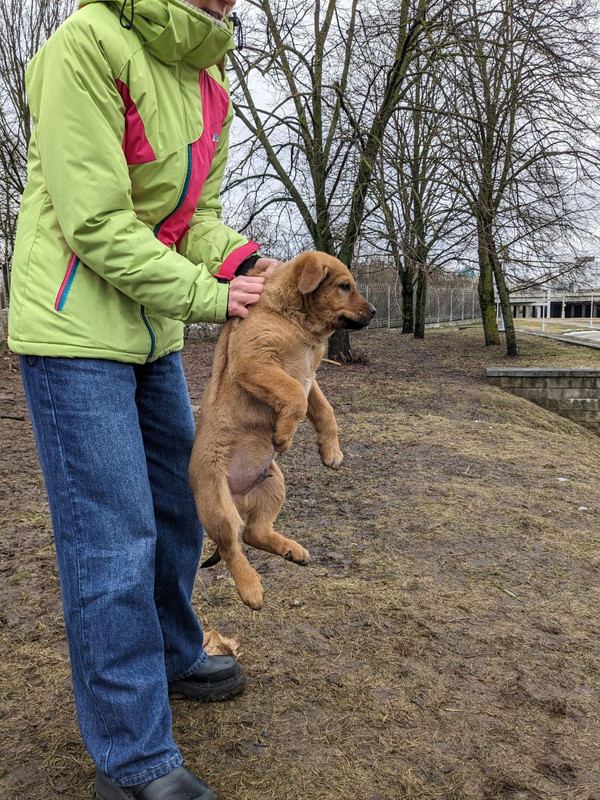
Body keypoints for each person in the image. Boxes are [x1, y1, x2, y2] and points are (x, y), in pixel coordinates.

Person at [7, 0, 276, 797]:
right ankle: (131, 759)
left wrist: (253, 264)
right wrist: (210, 295)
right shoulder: (82, 47)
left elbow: (194, 222)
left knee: (177, 504)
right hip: (73, 334)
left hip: (149, 332)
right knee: (111, 537)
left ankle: (170, 652)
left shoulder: (207, 74)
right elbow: (95, 223)